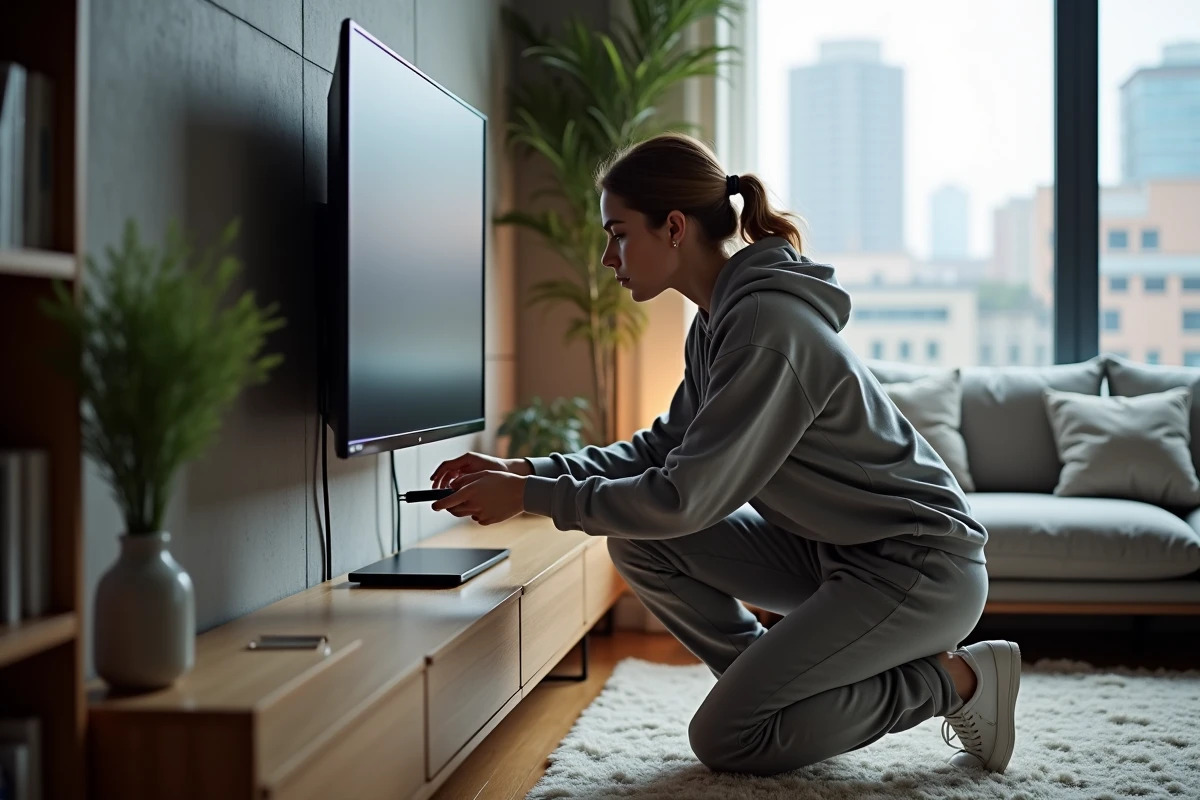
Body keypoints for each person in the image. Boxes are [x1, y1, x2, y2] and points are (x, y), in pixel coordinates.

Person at [429, 133, 1020, 777]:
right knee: (638, 541)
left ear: (674, 227)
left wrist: (529, 498)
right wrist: (527, 472)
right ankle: (775, 692)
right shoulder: (718, 320)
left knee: (726, 740)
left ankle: (957, 681)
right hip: (838, 558)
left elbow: (686, 497)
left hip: (918, 568)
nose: (607, 257)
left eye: (619, 234)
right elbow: (663, 448)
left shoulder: (766, 327)